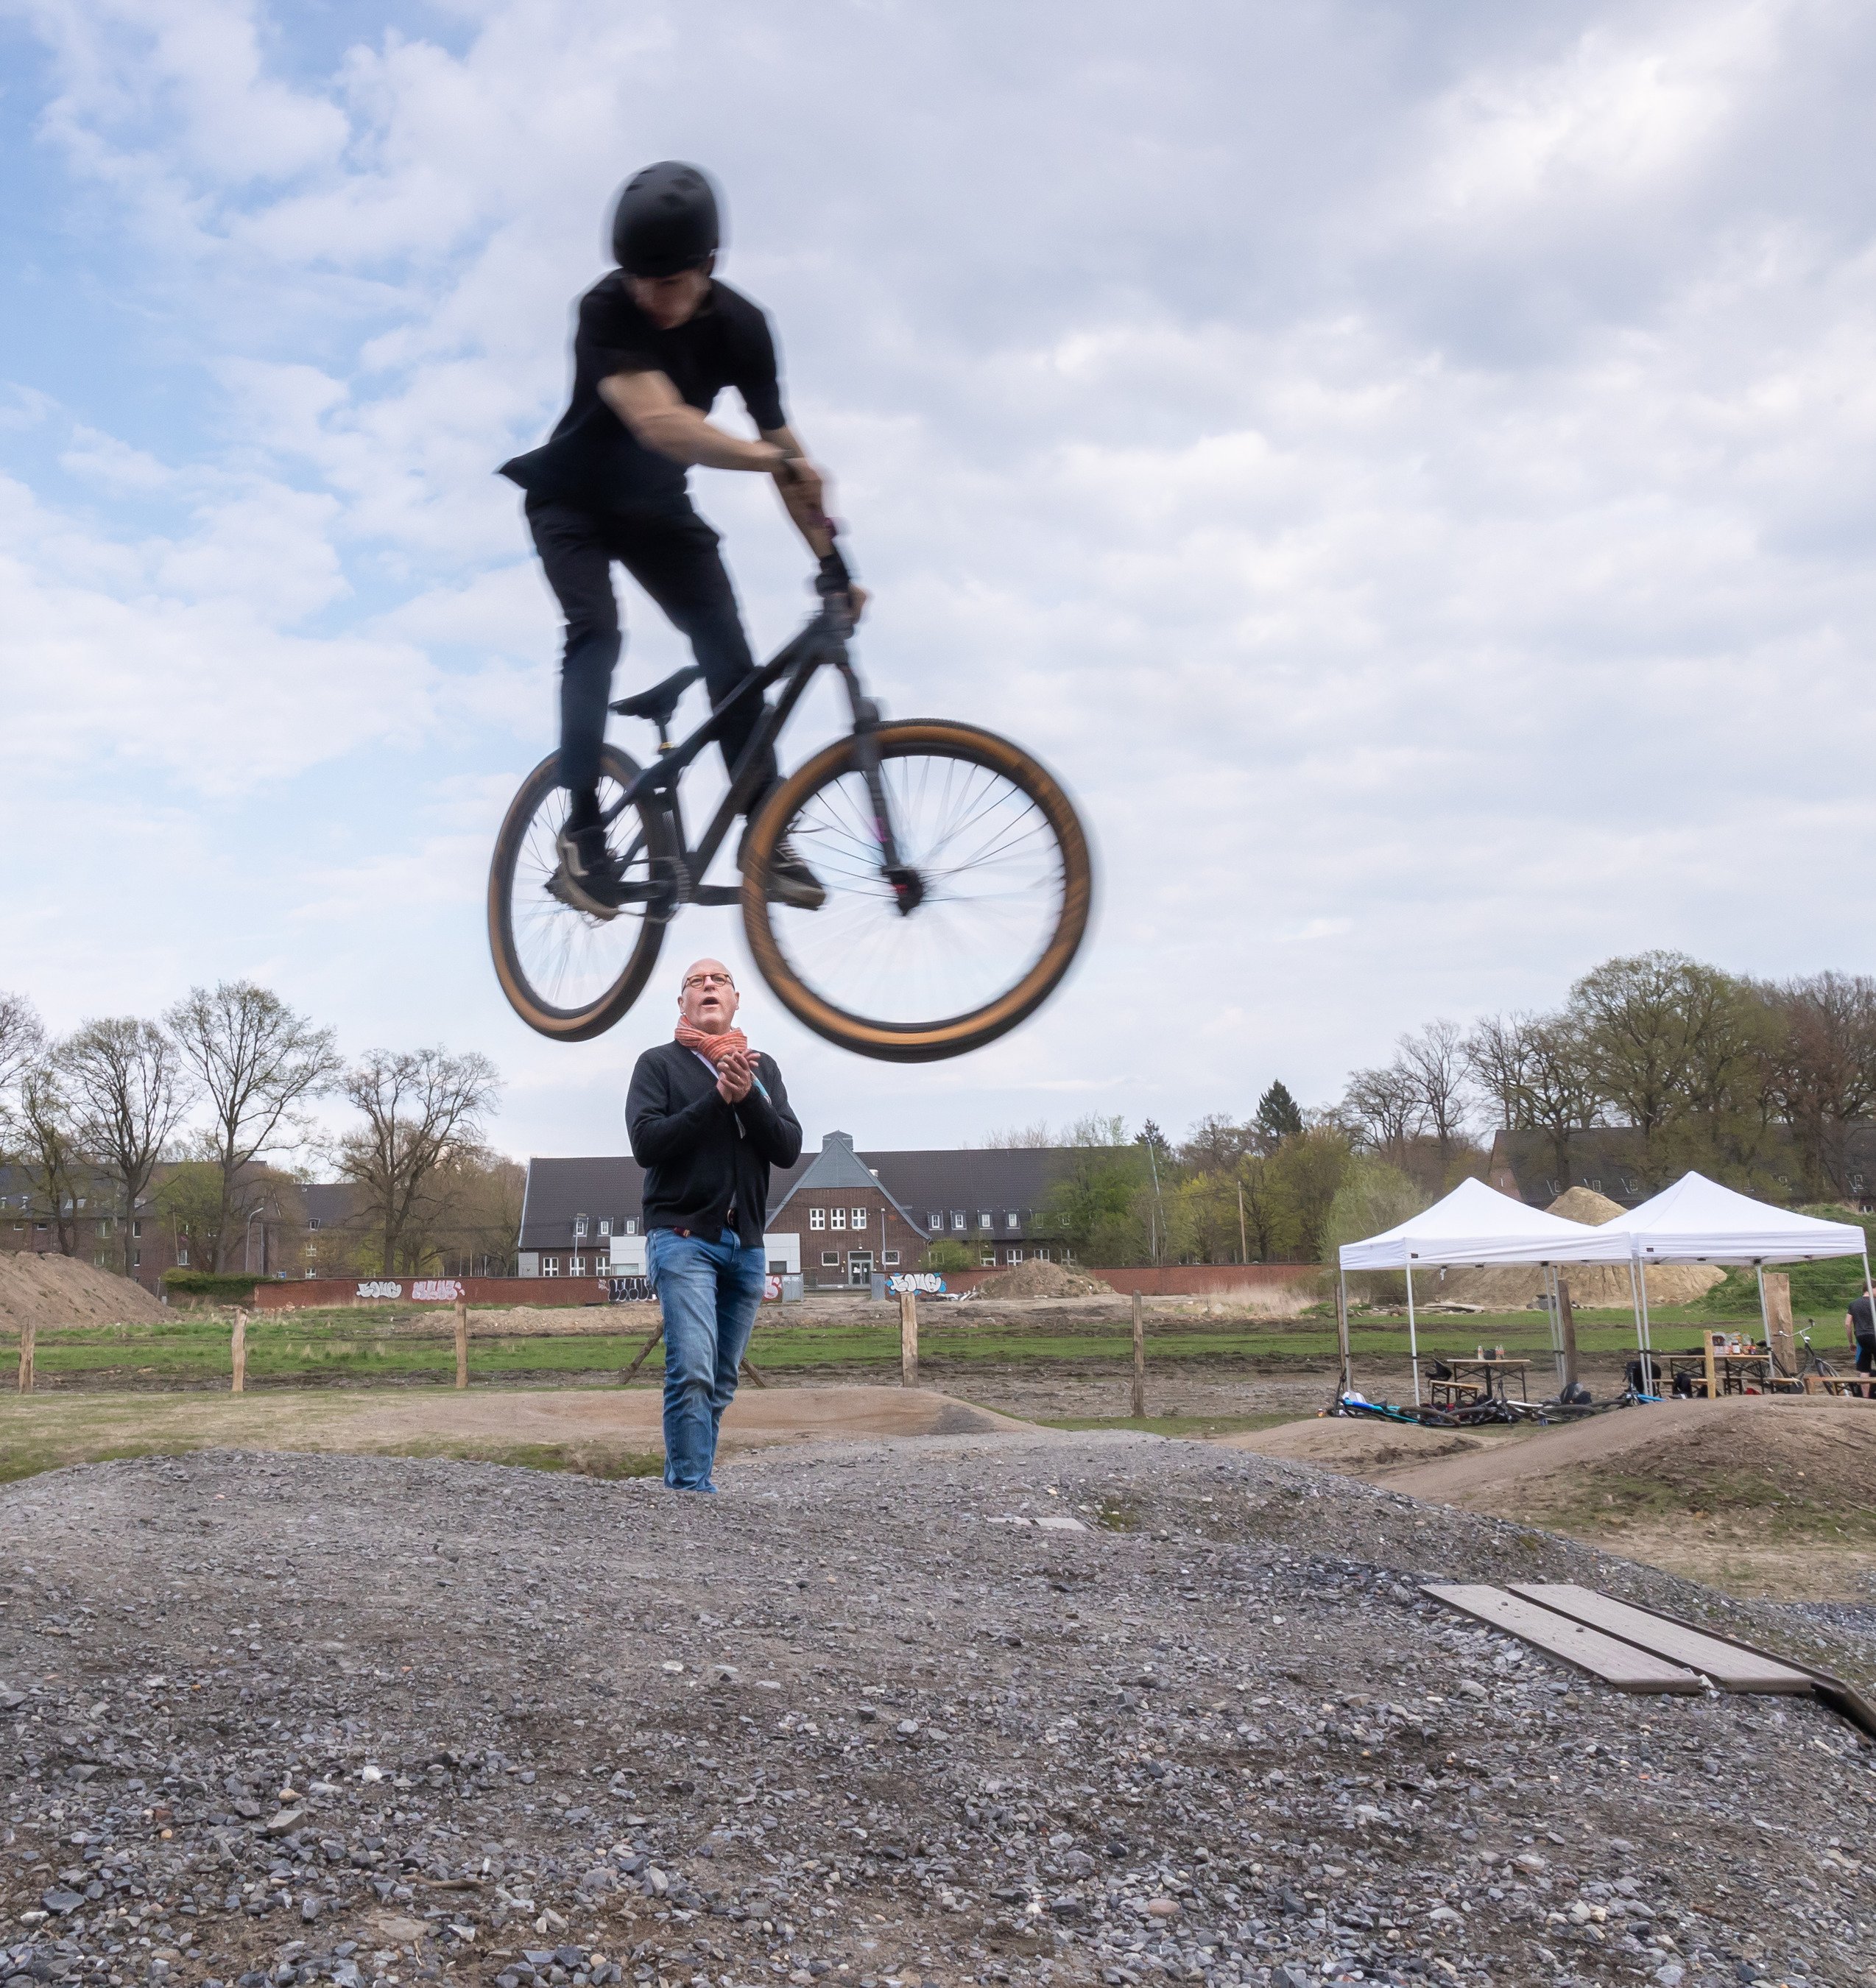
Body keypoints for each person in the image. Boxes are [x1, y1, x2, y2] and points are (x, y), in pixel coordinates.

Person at [499, 160, 863, 915]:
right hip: (569, 502)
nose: (648, 297)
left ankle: (767, 832)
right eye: (636, 279)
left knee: (729, 651)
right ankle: (584, 830)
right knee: (597, 629)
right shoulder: (604, 310)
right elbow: (662, 425)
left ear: (708, 266)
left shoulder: (742, 328)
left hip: (656, 512)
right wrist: (777, 458)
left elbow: (790, 456)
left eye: (666, 283)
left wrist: (832, 560)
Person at [626, 958, 803, 1491]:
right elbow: (647, 1144)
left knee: (721, 1379)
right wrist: (716, 1099)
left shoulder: (761, 1068)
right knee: (694, 1369)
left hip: (746, 1245)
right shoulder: (658, 1065)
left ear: (735, 1001)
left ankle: (687, 1479)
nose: (708, 985)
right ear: (681, 1003)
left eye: (720, 979)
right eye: (695, 981)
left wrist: (748, 1096)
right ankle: (690, 1492)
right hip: (682, 1239)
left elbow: (788, 1148)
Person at [1846, 1288, 1876, 1397]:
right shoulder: (1874, 1302)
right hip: (1874, 1336)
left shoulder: (1853, 1304)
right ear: (1871, 1288)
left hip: (1861, 1338)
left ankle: (1865, 1397)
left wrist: (1851, 1342)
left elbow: (1848, 1324)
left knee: (1864, 1369)